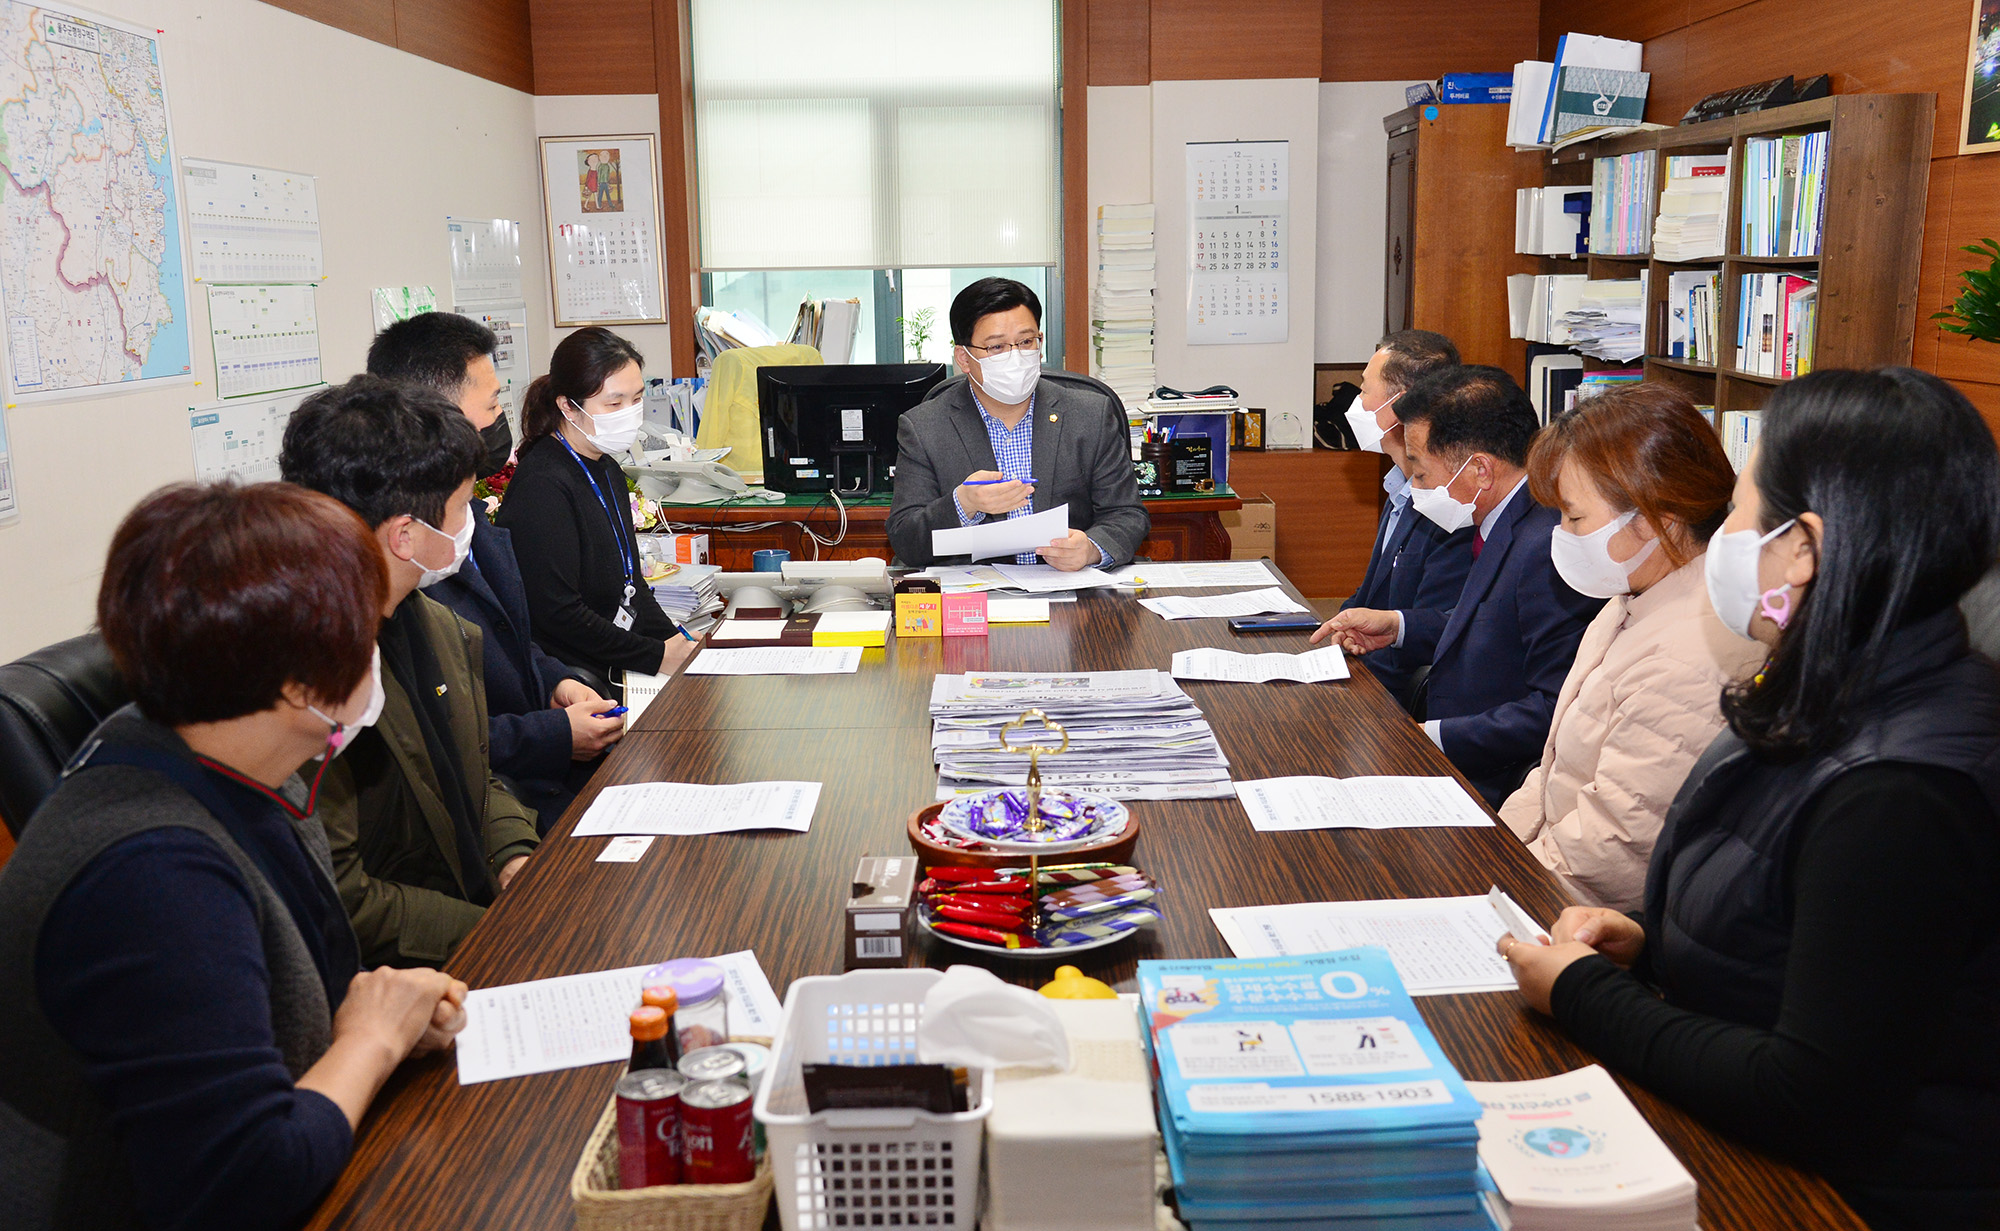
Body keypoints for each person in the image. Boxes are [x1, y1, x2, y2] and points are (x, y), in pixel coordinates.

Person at [1500, 368, 2000, 1231]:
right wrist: (1647, 944)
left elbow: (1812, 1092)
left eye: (1738, 509)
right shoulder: (1831, 684)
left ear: (1802, 548)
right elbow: (1802, 937)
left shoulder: (1902, 791)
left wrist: (1585, 993)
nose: (1720, 535)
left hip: (1844, 1198)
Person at [0, 482, 467, 1230]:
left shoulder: (238, 757)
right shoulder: (151, 875)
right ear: (297, 682)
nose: (376, 652)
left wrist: (389, 1021)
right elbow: (244, 1184)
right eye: (364, 632)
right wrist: (372, 1040)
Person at [281, 376, 541, 967]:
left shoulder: (434, 624)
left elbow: (472, 771)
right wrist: (496, 933)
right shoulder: (313, 683)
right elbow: (343, 897)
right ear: (405, 535)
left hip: (481, 922)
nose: (471, 523)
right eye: (462, 508)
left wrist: (514, 856)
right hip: (411, 967)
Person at [1497, 385, 1763, 909]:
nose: (1561, 534)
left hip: (1581, 913)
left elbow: (1614, 847)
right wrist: (1492, 852)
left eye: (1575, 518)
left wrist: (1499, 890)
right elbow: (1555, 774)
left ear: (1658, 517)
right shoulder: (1637, 593)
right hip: (1545, 873)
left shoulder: (1691, 656)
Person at [368, 312, 620, 834]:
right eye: (491, 403)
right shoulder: (411, 554)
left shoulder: (468, 517)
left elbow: (512, 641)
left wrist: (557, 682)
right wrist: (552, 735)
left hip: (536, 785)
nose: (501, 415)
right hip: (499, 799)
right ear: (438, 415)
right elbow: (435, 734)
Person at [1314, 365, 1601, 804]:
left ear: (1480, 470)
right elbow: (1492, 627)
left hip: (1490, 785)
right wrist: (1397, 626)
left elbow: (1556, 707)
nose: (1415, 487)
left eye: (1420, 473)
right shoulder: (1502, 519)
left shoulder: (1545, 546)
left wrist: (1430, 738)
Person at [887, 277, 1149, 570]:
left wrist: (1091, 549)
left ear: (1040, 342)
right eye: (996, 347)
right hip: (978, 593)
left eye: (1026, 342)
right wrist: (964, 503)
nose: (1015, 356)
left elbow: (1127, 514)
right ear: (964, 358)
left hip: (1071, 588)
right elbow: (905, 539)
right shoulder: (924, 427)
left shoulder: (1089, 415)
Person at [497, 327, 696, 684]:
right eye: (614, 404)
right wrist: (655, 655)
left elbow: (631, 584)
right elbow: (557, 614)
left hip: (616, 656)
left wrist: (675, 643)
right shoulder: (542, 485)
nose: (630, 413)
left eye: (637, 399)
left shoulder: (607, 468)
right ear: (568, 407)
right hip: (573, 676)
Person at [1323, 329, 1474, 704]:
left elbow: (1429, 634)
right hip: (1360, 672)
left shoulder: (1447, 504)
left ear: (1400, 404)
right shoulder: (1397, 486)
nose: (1355, 403)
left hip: (1390, 698)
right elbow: (1368, 598)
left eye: (1364, 389)